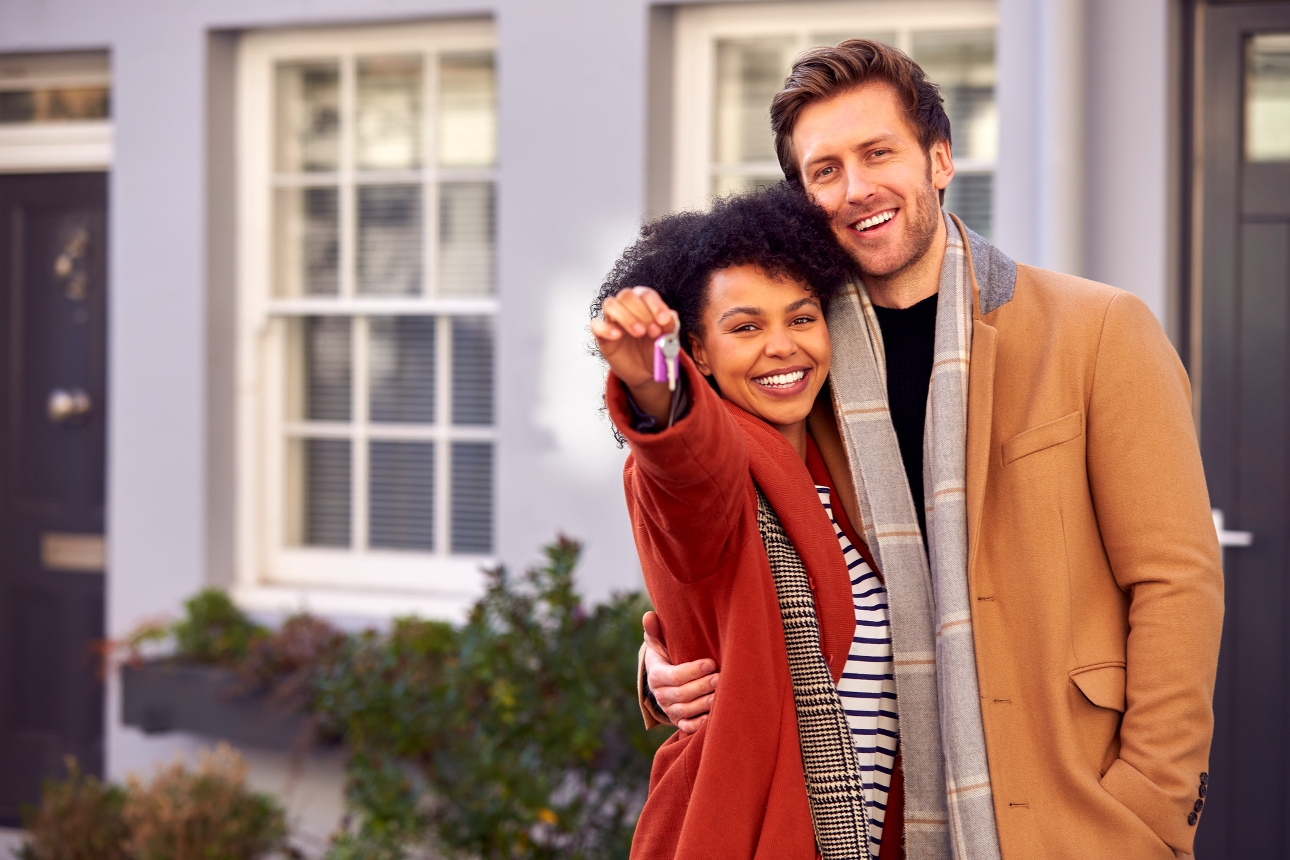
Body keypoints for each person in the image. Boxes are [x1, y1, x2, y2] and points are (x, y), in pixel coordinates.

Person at [638, 39, 1223, 860]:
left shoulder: (1096, 331)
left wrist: (1150, 805)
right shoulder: (802, 369)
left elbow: (1176, 583)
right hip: (882, 816)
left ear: (939, 159)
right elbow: (722, 522)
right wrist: (661, 661)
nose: (857, 189)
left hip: (1073, 810)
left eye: (879, 153)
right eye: (825, 170)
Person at [591, 183, 901, 859]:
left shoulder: (857, 469)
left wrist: (651, 669)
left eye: (800, 318)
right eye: (745, 327)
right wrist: (657, 380)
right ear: (698, 352)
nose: (782, 347)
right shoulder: (710, 473)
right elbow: (687, 470)